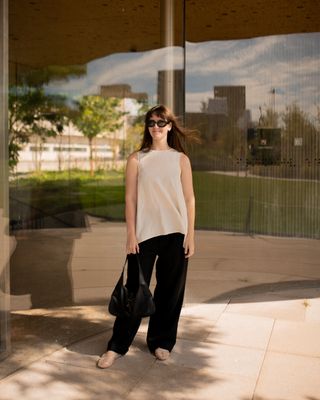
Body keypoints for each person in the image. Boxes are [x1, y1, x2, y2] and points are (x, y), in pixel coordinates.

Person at [97, 104, 196, 368]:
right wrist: (131, 234)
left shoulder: (181, 159)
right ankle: (117, 346)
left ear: (169, 126)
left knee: (170, 291)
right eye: (151, 122)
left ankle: (162, 342)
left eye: (161, 122)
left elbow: (189, 198)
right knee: (133, 291)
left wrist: (191, 235)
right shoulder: (136, 159)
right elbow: (129, 199)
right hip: (144, 234)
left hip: (176, 232)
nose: (155, 127)